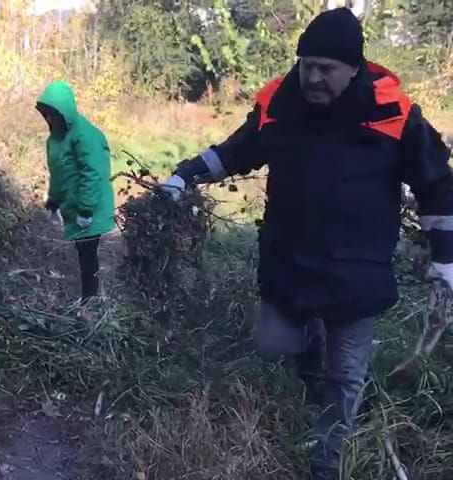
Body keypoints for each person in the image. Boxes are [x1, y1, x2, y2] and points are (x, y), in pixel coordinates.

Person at [162, 8, 453, 480]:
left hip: (356, 271)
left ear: (354, 68)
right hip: (289, 261)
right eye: (306, 65)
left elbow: (437, 186)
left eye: (326, 69)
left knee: (346, 376)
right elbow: (236, 150)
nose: (313, 77)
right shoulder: (281, 102)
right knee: (274, 343)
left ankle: (326, 462)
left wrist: (445, 261)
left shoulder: (393, 112)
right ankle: (307, 362)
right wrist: (184, 177)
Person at [36, 79, 116, 303]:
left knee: (88, 255)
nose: (49, 119)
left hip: (91, 207)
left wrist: (86, 210)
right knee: (83, 253)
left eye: (53, 114)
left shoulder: (85, 135)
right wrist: (53, 201)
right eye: (46, 114)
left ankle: (90, 301)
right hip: (73, 207)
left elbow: (93, 174)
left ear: (64, 112)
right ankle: (89, 298)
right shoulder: (54, 140)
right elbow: (59, 175)